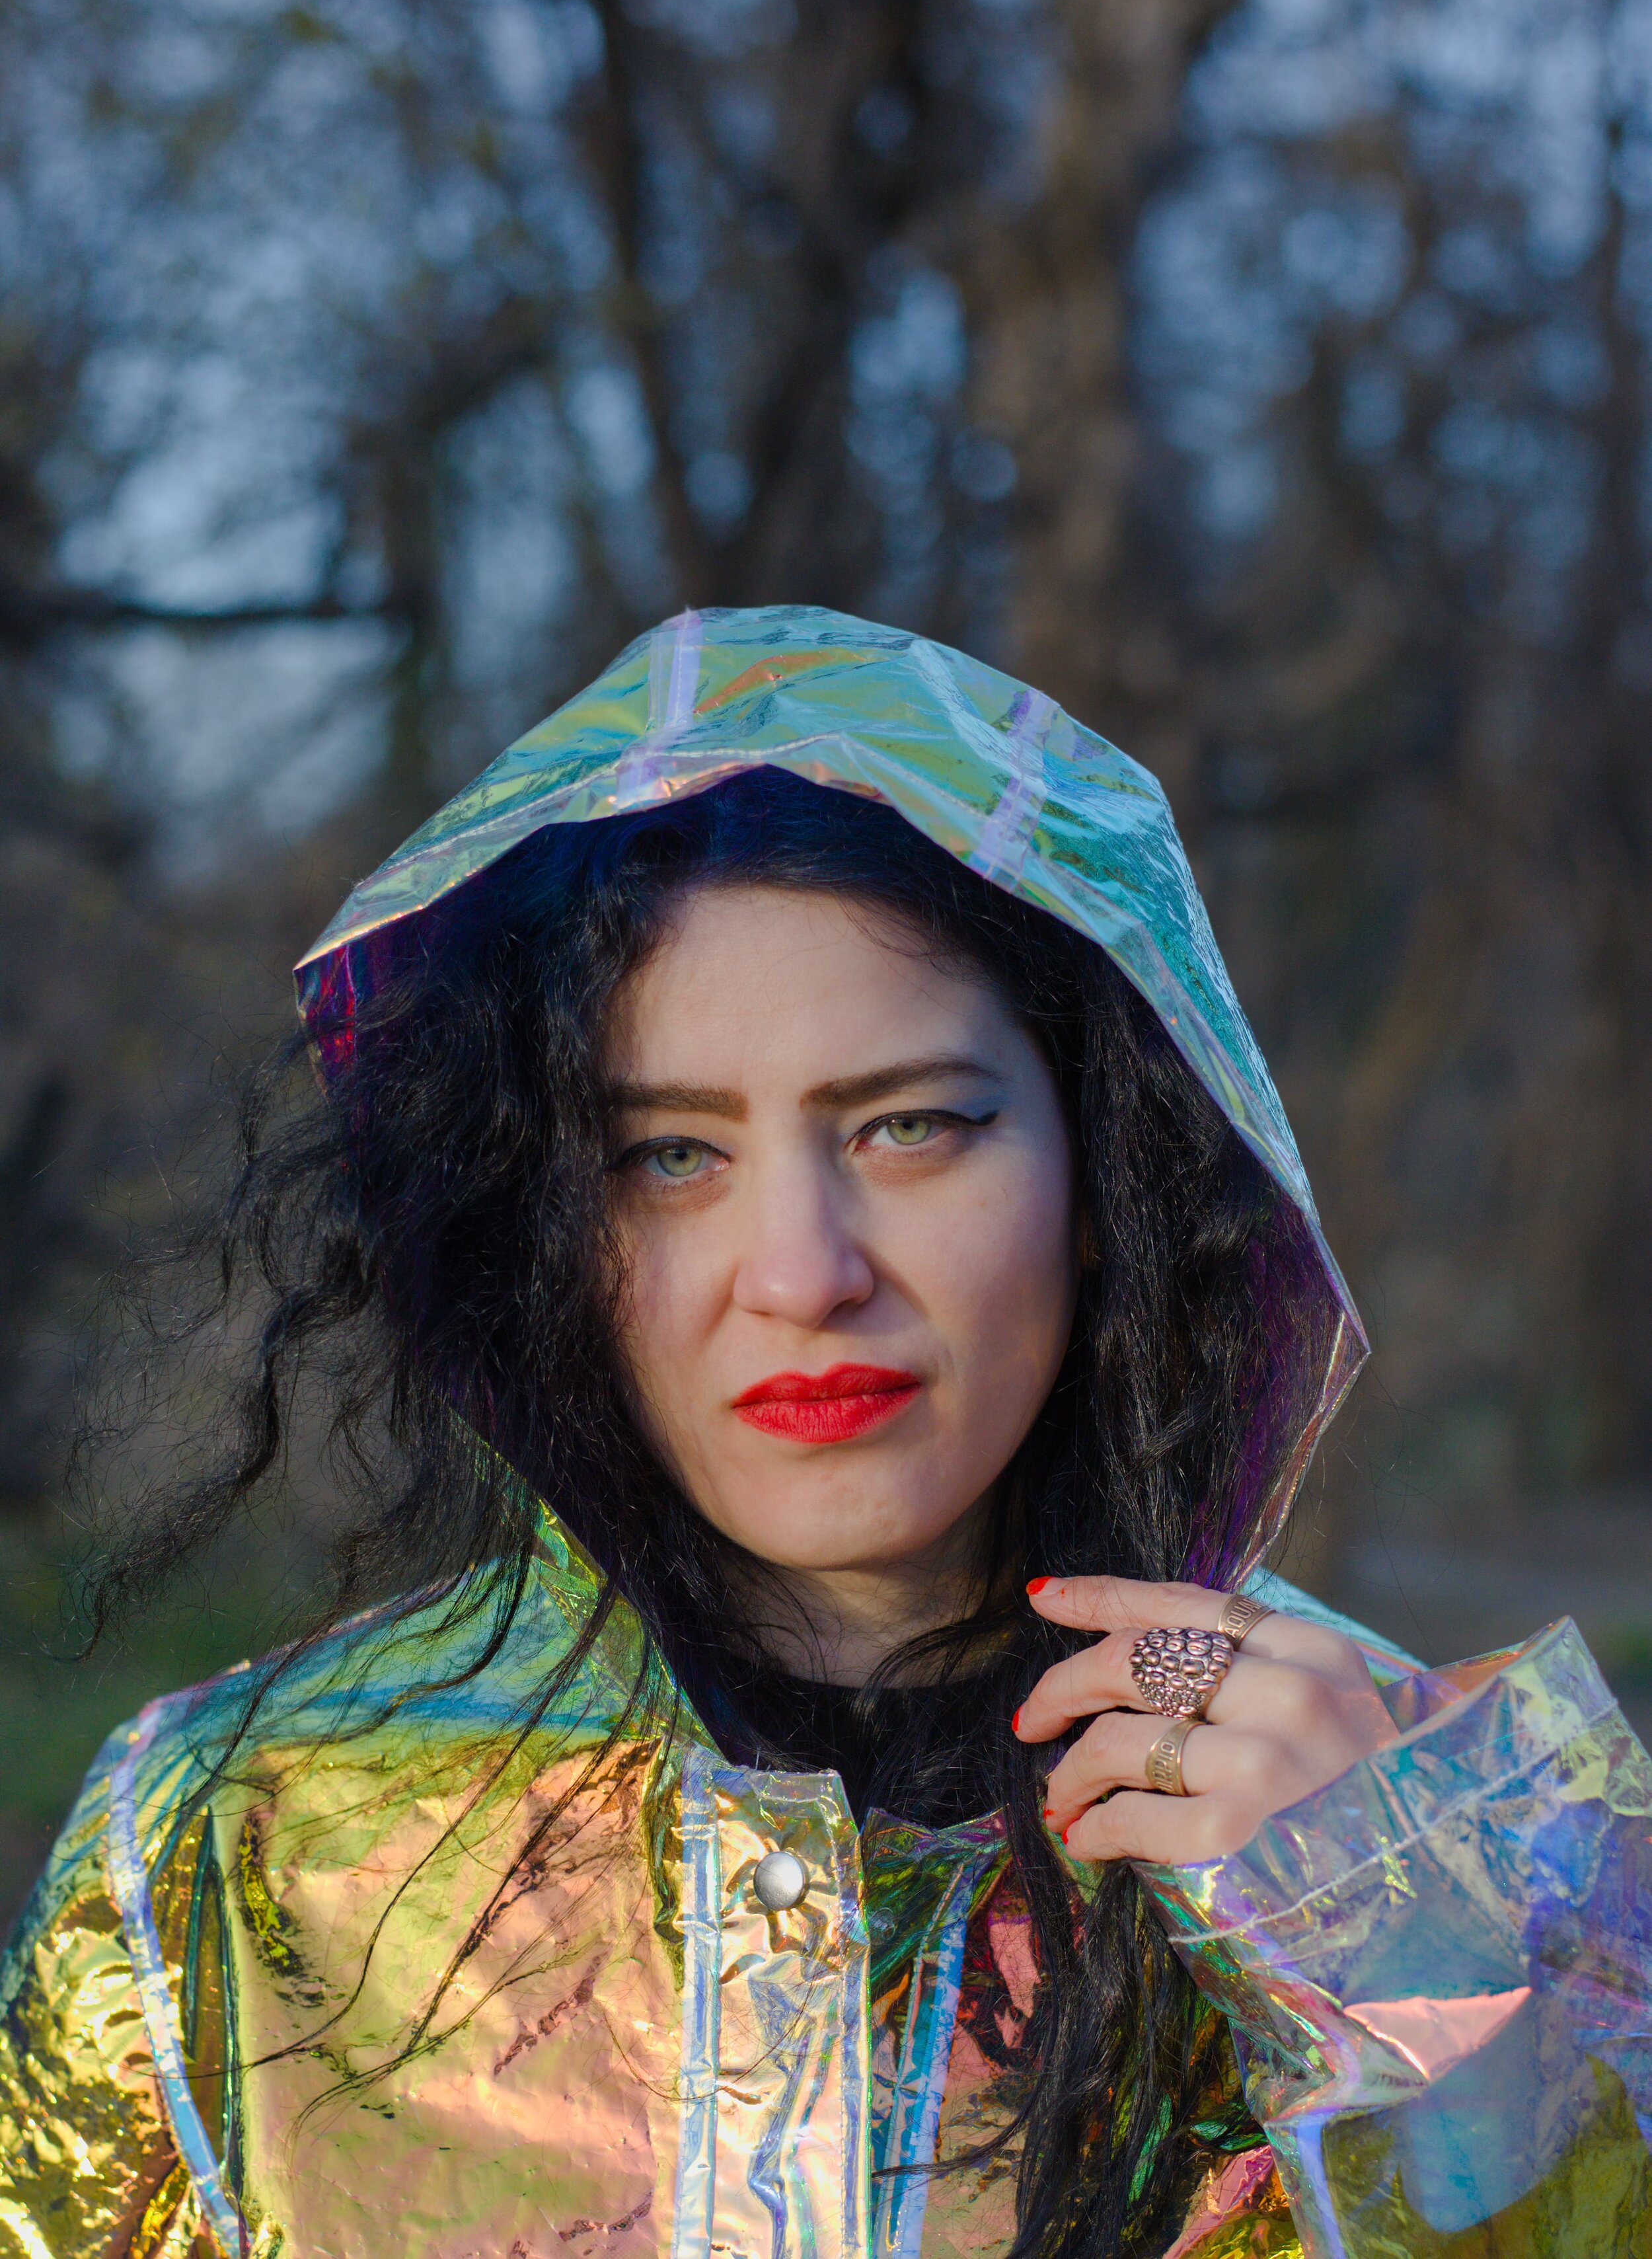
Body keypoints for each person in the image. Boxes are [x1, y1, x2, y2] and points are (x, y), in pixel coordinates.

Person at [2, 606, 1648, 2259]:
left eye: (911, 1124)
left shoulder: (1470, 1855)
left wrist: (1421, 1990)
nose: (802, 1272)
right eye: (667, 1154)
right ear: (531, 1217)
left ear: (1103, 1167)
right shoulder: (225, 1848)